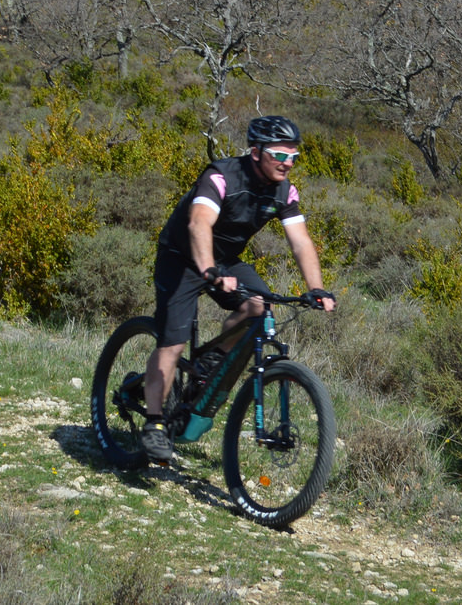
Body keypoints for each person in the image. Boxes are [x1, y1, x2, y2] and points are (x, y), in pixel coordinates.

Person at [139, 114, 335, 464]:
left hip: (226, 259)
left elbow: (301, 242)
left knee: (259, 307)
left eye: (294, 157)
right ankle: (154, 424)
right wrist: (208, 269)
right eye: (279, 154)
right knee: (173, 342)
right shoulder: (221, 176)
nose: (287, 163)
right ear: (256, 152)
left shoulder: (284, 191)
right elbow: (199, 223)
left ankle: (214, 359)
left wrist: (316, 288)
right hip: (182, 256)